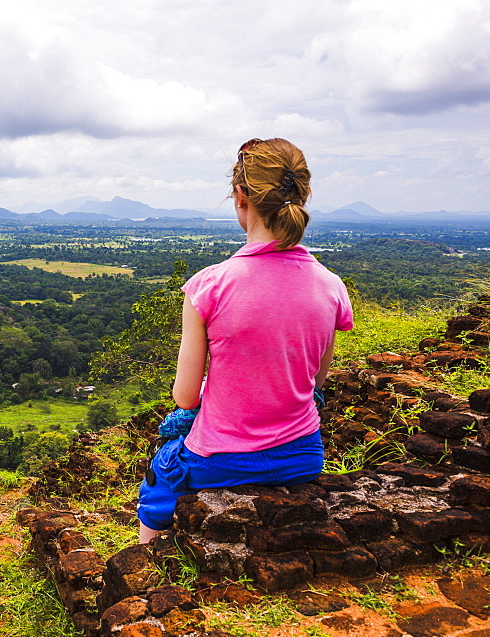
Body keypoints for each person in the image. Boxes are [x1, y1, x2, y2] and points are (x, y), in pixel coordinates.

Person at [137, 137, 353, 544]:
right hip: (302, 454)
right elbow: (313, 383)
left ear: (241, 196)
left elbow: (185, 398)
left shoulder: (210, 286)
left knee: (158, 483)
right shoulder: (331, 286)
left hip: (219, 460)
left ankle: (147, 569)